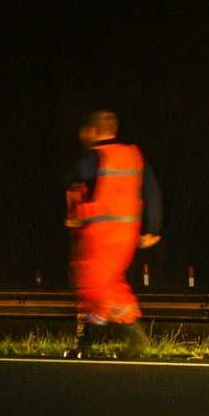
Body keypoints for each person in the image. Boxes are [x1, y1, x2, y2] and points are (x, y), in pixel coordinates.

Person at [64, 111, 163, 359]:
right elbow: (151, 191)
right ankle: (87, 347)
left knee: (93, 286)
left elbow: (74, 177)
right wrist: (152, 228)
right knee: (109, 286)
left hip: (99, 236)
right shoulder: (133, 155)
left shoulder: (95, 157)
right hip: (126, 235)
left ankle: (131, 340)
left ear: (92, 132)